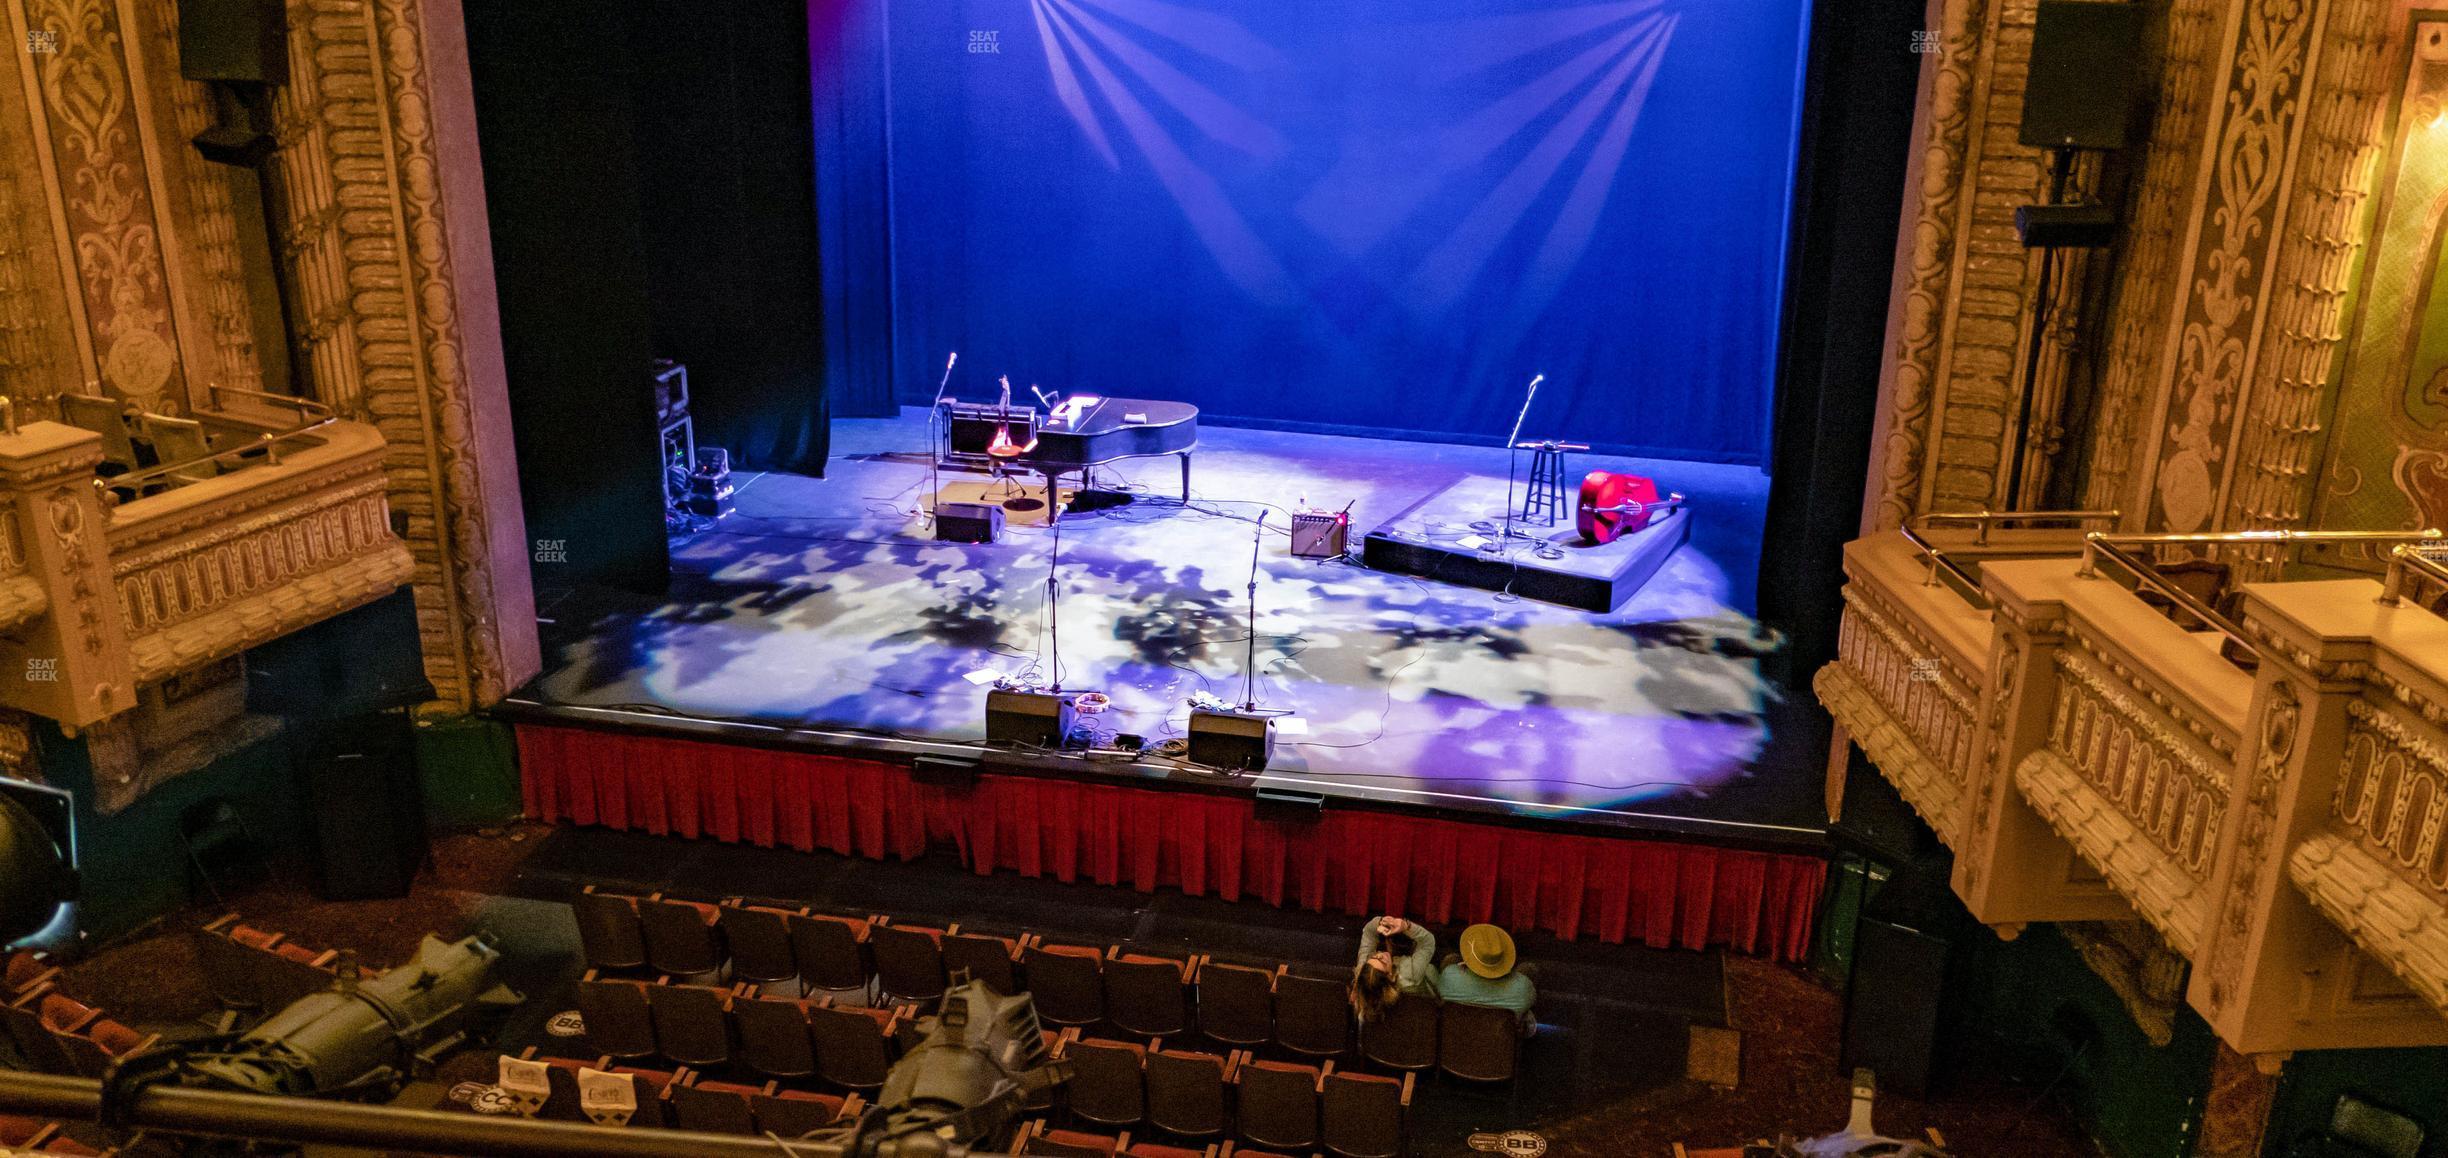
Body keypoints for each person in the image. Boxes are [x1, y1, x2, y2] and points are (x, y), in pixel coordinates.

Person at [1438, 923, 1536, 1036]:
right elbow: (1531, 1001)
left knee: (1451, 959)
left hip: (1454, 1039)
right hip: (1501, 1046)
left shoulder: (1449, 976)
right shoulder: (1522, 986)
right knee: (1529, 969)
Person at [1350, 914, 1436, 1020]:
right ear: (1390, 976)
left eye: (1375, 955)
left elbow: (1368, 934)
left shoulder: (1365, 971)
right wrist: (1407, 926)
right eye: (1382, 961)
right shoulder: (1410, 974)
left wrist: (1381, 922)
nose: (1381, 953)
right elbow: (1428, 942)